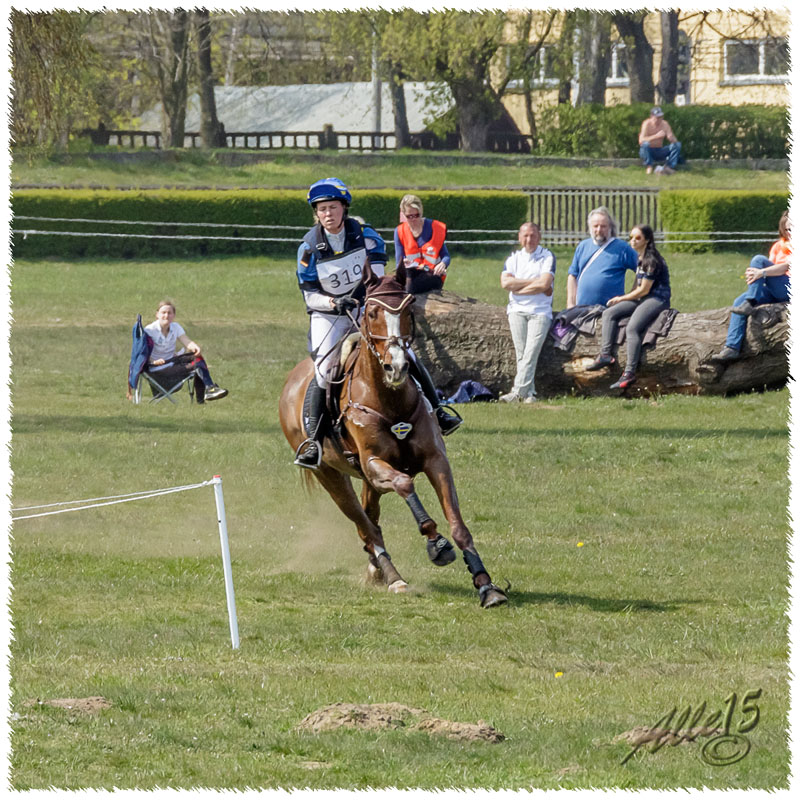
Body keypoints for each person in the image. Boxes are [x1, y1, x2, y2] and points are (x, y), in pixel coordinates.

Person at [293, 178, 461, 469]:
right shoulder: (308, 248)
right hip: (328, 315)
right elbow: (310, 296)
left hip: (365, 308)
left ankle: (439, 411)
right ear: (316, 214)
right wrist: (334, 303)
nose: (328, 214)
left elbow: (379, 282)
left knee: (405, 353)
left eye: (333, 207)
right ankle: (314, 441)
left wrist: (365, 306)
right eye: (322, 209)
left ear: (344, 209)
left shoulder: (367, 236)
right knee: (323, 371)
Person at [586, 225, 671, 390]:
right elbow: (637, 286)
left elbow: (645, 289)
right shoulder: (639, 258)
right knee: (609, 313)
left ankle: (630, 373)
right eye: (631, 237)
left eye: (637, 238)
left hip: (657, 299)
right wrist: (623, 302)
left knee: (632, 328)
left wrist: (621, 297)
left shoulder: (651, 260)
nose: (633, 241)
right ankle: (605, 355)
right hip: (642, 297)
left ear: (647, 240)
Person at [711, 210, 791, 363]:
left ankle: (751, 301)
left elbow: (784, 267)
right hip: (775, 287)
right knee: (738, 302)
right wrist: (757, 276)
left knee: (758, 260)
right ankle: (732, 348)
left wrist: (760, 272)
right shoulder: (778, 246)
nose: (790, 232)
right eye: (787, 229)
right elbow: (770, 271)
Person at [498, 222, 555, 404]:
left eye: (532, 235)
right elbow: (506, 284)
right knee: (521, 353)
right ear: (519, 237)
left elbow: (544, 284)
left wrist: (519, 287)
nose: (529, 239)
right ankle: (529, 393)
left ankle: (517, 392)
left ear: (539, 237)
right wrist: (533, 283)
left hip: (539, 312)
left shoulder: (547, 256)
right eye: (525, 236)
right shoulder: (513, 258)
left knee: (531, 352)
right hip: (516, 310)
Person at [144, 300, 228, 402]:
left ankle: (208, 391)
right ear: (157, 314)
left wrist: (195, 347)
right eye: (163, 312)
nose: (166, 315)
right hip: (157, 368)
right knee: (197, 365)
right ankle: (208, 391)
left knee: (197, 357)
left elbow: (186, 341)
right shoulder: (149, 330)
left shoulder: (176, 327)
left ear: (173, 315)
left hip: (171, 362)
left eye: (169, 313)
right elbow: (143, 352)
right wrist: (153, 362)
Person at [567, 207, 638, 308]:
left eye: (603, 226)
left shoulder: (622, 248)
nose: (599, 230)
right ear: (590, 227)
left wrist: (631, 296)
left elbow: (643, 269)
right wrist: (570, 304)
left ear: (610, 227)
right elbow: (572, 276)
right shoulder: (583, 246)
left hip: (609, 311)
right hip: (581, 310)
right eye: (595, 226)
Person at [394, 194, 451, 295]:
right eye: (409, 216)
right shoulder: (399, 231)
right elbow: (399, 262)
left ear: (421, 212)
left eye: (417, 215)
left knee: (410, 287)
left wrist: (443, 264)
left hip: (431, 273)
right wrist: (404, 262)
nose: (414, 219)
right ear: (403, 214)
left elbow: (446, 256)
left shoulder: (434, 228)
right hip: (412, 273)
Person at [638, 106, 682, 175]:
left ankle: (669, 167)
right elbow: (641, 140)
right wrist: (656, 136)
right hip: (648, 151)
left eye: (661, 117)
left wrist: (672, 139)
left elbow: (674, 140)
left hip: (659, 150)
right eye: (657, 117)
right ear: (651, 116)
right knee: (645, 144)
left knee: (677, 145)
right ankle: (649, 166)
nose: (659, 120)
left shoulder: (665, 124)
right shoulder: (646, 124)